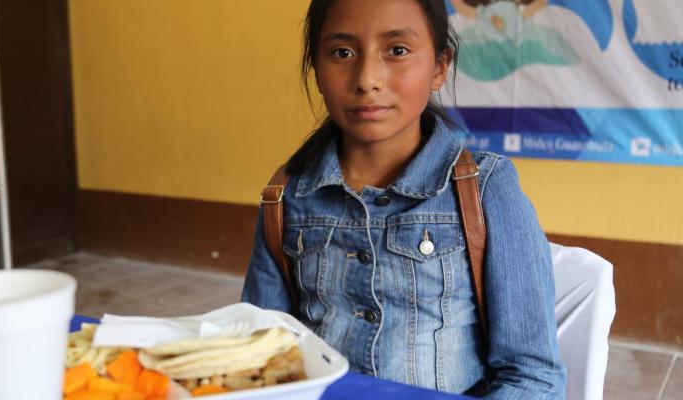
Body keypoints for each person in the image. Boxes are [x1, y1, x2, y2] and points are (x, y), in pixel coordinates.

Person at [241, 0, 566, 398]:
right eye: (342, 53)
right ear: (317, 71)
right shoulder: (286, 197)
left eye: (397, 50)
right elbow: (257, 356)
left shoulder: (484, 188)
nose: (367, 79)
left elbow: (532, 376)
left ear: (439, 66)